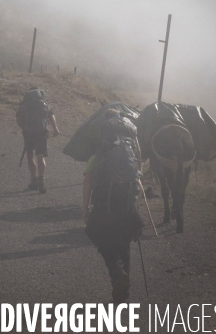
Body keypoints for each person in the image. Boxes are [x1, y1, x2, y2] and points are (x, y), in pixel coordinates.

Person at [82, 116, 144, 303]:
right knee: (124, 246)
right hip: (127, 205)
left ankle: (117, 273)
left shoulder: (97, 157)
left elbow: (87, 182)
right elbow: (139, 166)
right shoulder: (130, 153)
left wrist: (85, 209)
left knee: (93, 231)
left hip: (104, 206)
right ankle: (122, 295)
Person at [16, 87, 60, 194]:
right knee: (41, 156)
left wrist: (24, 129)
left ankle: (34, 180)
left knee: (30, 155)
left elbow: (18, 120)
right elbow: (51, 115)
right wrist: (55, 128)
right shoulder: (44, 103)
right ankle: (42, 181)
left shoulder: (23, 104)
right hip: (42, 132)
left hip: (28, 133)